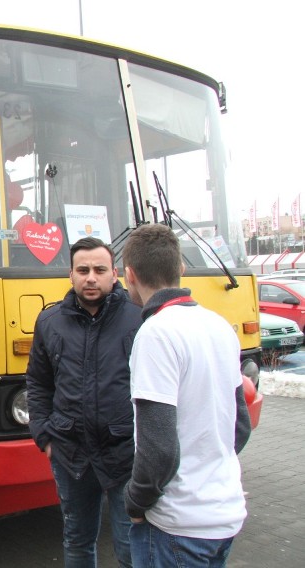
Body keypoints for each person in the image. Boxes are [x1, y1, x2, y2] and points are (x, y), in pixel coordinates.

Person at [121, 224, 251, 567]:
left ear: (129, 275)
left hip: (176, 526)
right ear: (181, 269)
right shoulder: (219, 325)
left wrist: (135, 502)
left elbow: (158, 448)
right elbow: (240, 427)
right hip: (223, 515)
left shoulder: (156, 334)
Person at [26, 236, 142, 568]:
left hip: (125, 454)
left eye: (99, 269)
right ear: (71, 275)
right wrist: (44, 436)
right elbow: (38, 382)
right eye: (83, 270)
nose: (91, 277)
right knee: (77, 541)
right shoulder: (50, 322)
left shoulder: (139, 317)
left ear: (114, 274)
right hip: (70, 454)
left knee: (129, 547)